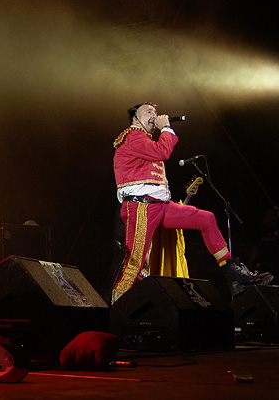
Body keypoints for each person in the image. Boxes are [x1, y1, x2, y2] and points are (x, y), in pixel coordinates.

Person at [111, 102, 272, 302]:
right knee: (134, 263)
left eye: (155, 112)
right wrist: (167, 129)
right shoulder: (132, 135)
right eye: (148, 112)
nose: (154, 115)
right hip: (140, 206)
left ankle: (233, 274)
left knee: (206, 219)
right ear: (135, 118)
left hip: (160, 205)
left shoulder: (144, 140)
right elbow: (164, 152)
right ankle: (116, 309)